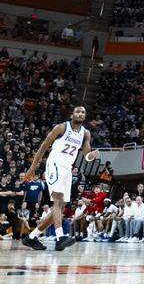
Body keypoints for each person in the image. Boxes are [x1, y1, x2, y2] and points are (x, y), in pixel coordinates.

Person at [21, 105, 98, 252]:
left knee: (60, 207)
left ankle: (31, 237)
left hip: (67, 169)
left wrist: (92, 156)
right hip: (54, 164)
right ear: (72, 114)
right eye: (78, 111)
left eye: (83, 112)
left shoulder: (85, 133)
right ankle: (60, 237)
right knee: (57, 200)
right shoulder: (61, 128)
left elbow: (87, 156)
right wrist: (32, 169)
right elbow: (43, 147)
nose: (80, 114)